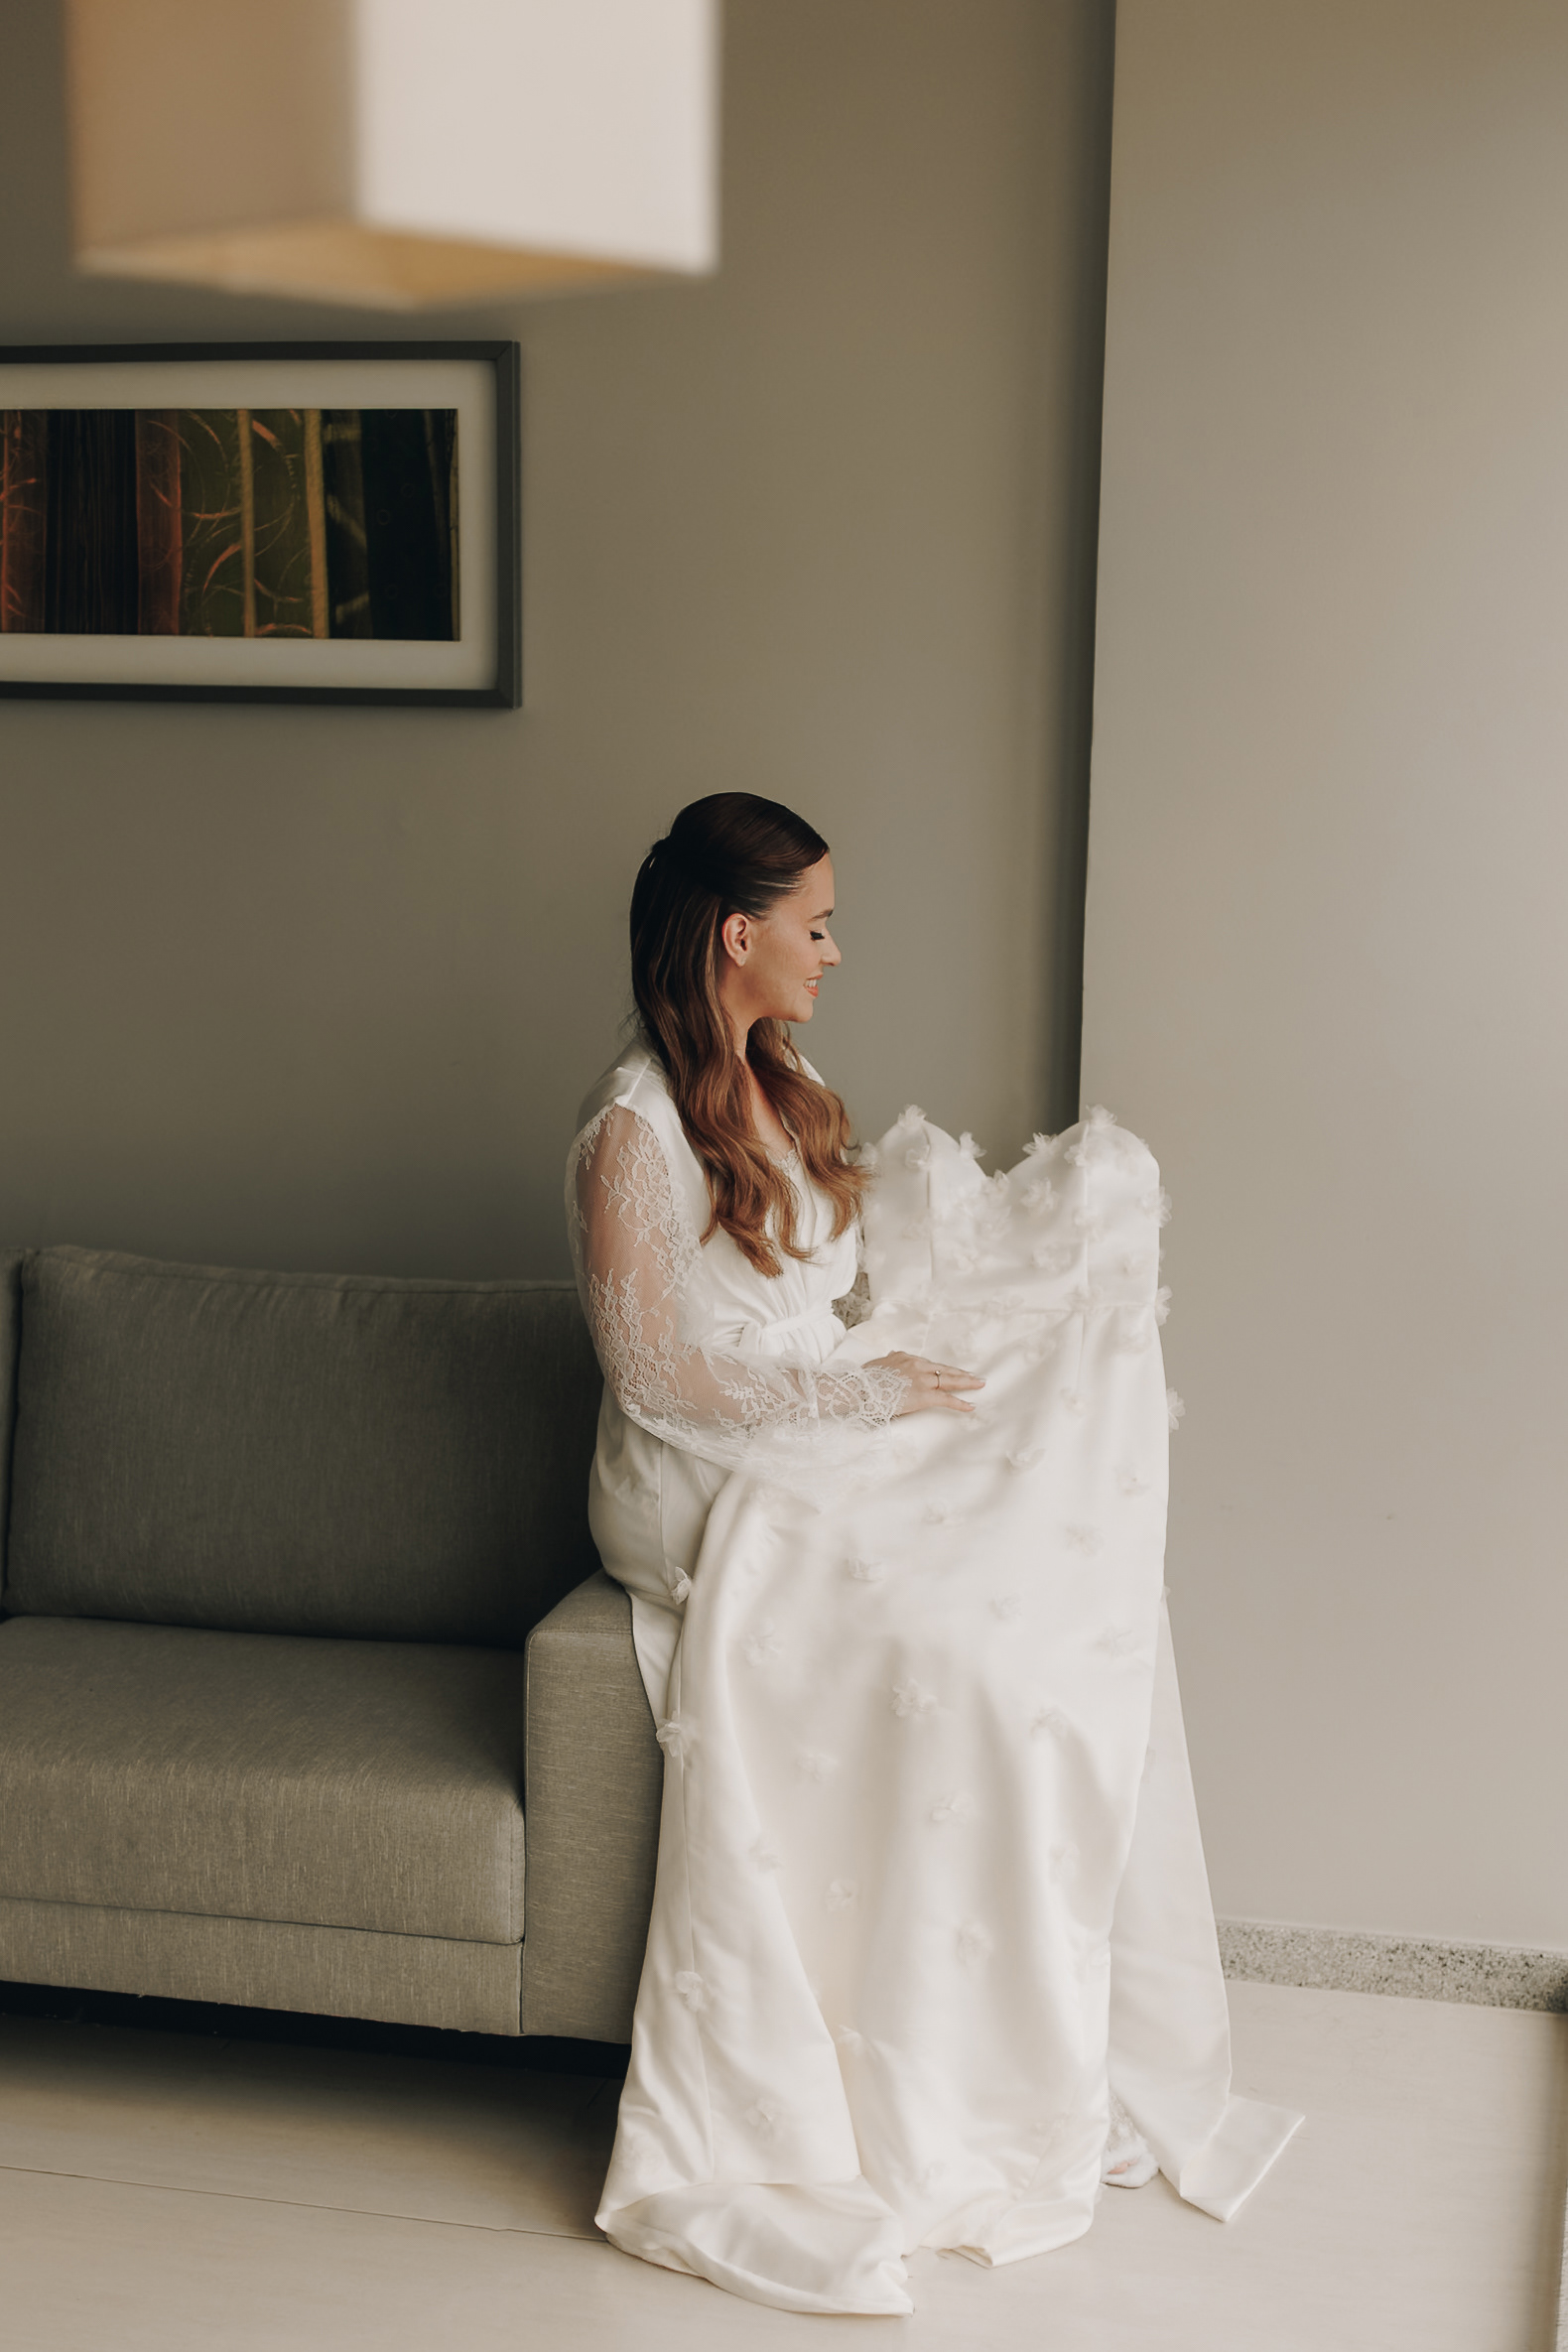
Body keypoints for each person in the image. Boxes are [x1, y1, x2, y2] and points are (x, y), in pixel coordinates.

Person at [566, 792, 1298, 2317]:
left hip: (796, 1417)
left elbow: (818, 1283)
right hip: (696, 1471)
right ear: (737, 935)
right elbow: (651, 1373)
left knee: (1049, 1565)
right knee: (953, 1633)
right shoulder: (632, 1129)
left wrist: (951, 1302)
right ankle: (941, 2066)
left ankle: (1036, 2034)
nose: (836, 950)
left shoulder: (782, 1078)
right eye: (817, 925)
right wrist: (859, 1396)